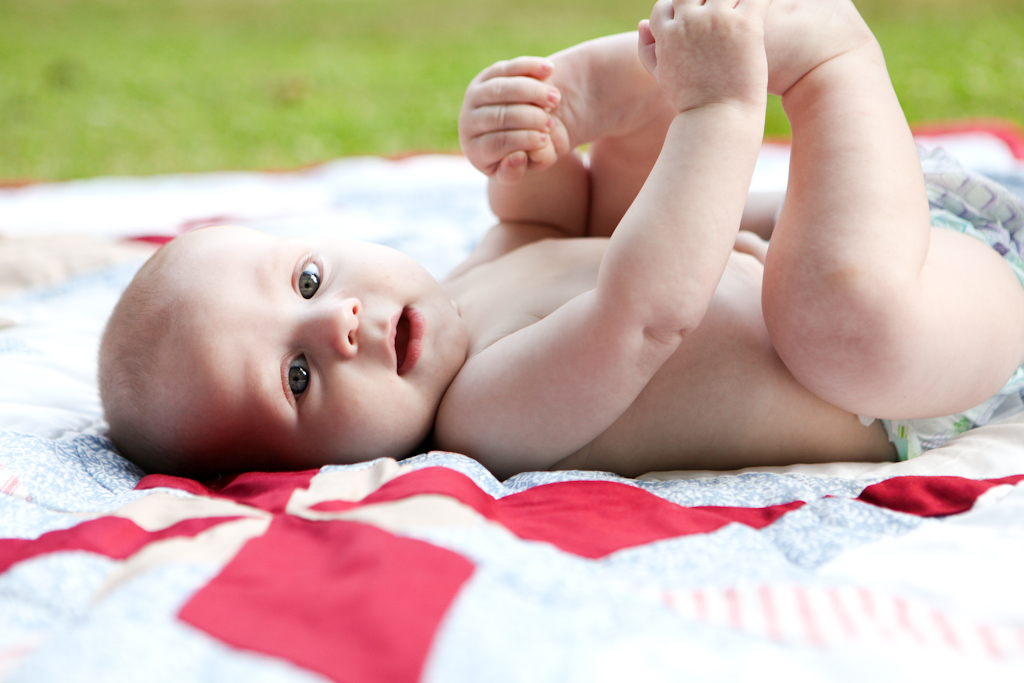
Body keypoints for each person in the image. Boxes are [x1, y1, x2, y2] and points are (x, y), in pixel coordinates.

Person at [99, 0, 1024, 480]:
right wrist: (722, 109)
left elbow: (557, 225)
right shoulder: (483, 417)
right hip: (914, 372)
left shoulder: (462, 287)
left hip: (885, 235)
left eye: (306, 279)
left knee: (628, 191)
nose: (337, 324)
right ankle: (827, 57)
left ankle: (612, 85)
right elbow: (644, 314)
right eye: (297, 378)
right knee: (836, 325)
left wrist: (527, 141)